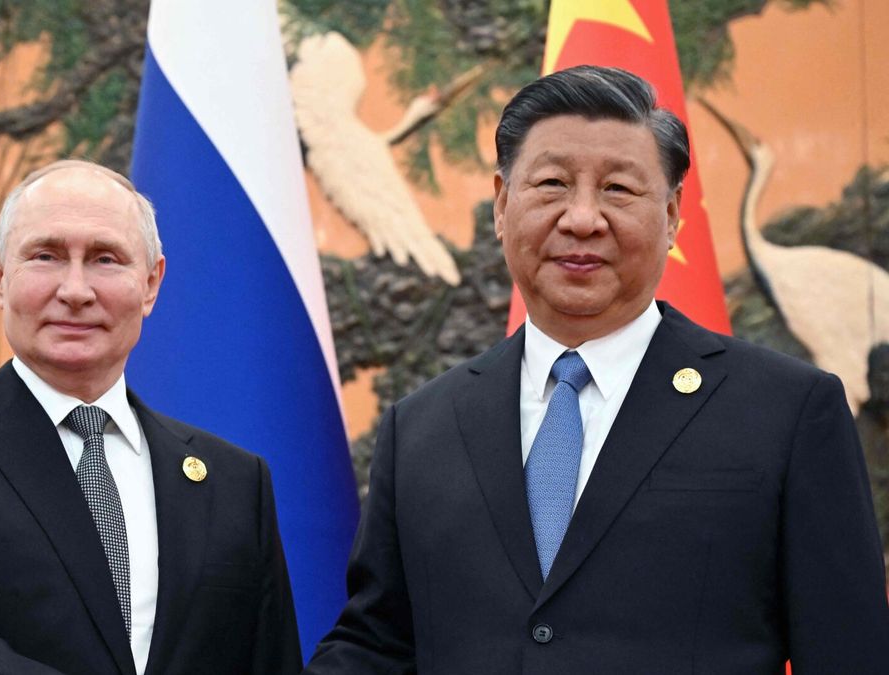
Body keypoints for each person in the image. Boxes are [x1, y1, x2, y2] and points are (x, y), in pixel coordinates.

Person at [305, 65, 889, 674]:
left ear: (671, 215)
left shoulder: (787, 412)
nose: (582, 218)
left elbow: (848, 653)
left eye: (618, 190)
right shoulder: (422, 428)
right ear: (503, 205)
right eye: (553, 183)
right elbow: (378, 644)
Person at [0, 160, 301, 675]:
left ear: (150, 284)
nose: (76, 290)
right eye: (46, 256)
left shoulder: (234, 480)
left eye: (106, 259)